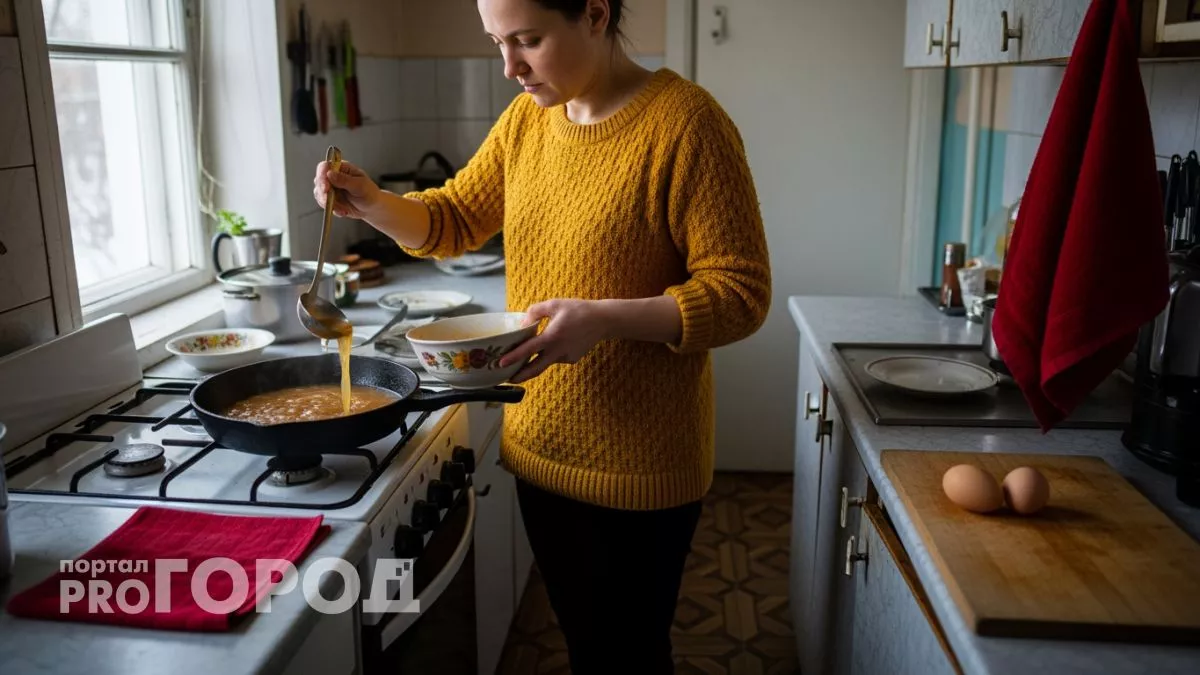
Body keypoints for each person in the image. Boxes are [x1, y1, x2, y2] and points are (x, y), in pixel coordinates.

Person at [313, 0, 771, 671]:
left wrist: (606, 317)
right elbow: (450, 221)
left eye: (527, 39)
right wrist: (371, 201)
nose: (509, 66)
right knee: (589, 645)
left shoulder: (687, 124)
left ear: (593, 13)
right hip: (540, 447)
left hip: (639, 466)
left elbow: (740, 294)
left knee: (629, 655)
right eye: (497, 42)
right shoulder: (528, 121)